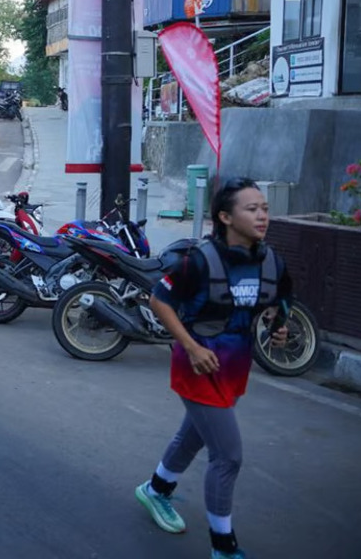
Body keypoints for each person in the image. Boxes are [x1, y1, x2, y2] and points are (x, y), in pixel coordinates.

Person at [134, 178, 291, 559]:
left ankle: (155, 489)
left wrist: (279, 326)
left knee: (195, 436)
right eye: (251, 209)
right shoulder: (199, 261)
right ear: (225, 217)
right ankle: (224, 547)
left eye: (264, 208)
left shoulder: (271, 261)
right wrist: (190, 347)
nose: (262, 215)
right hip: (198, 366)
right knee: (228, 457)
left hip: (235, 367)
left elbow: (279, 299)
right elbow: (160, 301)